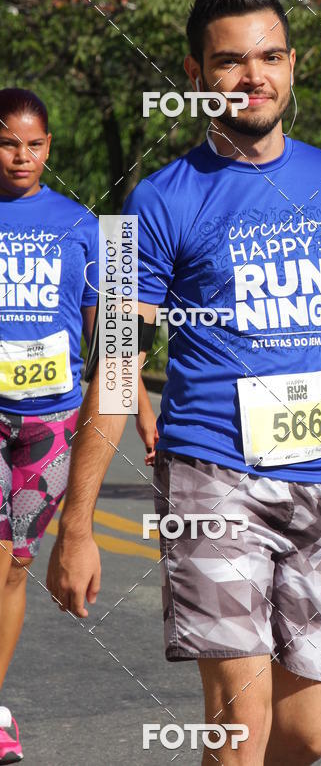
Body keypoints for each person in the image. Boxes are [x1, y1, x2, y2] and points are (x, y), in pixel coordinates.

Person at [47, 0, 321, 765]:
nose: (254, 76)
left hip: (319, 475)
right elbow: (114, 371)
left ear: (292, 65)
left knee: (306, 737)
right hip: (212, 474)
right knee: (241, 733)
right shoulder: (157, 200)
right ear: (196, 73)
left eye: (270, 57)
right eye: (232, 60)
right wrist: (77, 525)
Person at [0, 89, 156, 764]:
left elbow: (114, 343)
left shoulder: (84, 228)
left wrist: (146, 417)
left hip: (53, 420)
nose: (21, 157)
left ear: (50, 148)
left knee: (12, 564)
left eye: (34, 145)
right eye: (8, 143)